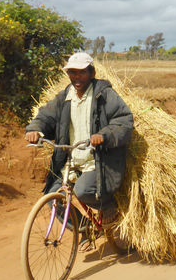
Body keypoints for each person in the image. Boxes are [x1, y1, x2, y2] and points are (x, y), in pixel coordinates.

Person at [25, 52, 134, 247]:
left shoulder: (104, 95)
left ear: (92, 73)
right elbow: (46, 116)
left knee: (83, 190)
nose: (77, 77)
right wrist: (35, 129)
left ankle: (108, 206)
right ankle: (84, 229)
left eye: (82, 72)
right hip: (72, 159)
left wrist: (105, 135)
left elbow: (123, 120)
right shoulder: (65, 97)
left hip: (99, 160)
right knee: (52, 197)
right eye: (72, 72)